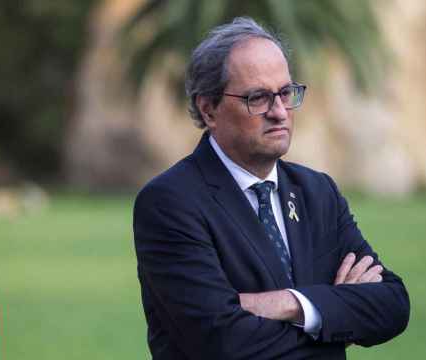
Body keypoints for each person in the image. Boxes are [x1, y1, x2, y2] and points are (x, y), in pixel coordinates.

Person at [132, 17, 410, 360]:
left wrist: (291, 303)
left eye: (286, 93)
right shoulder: (170, 202)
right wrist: (333, 317)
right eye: (258, 98)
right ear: (209, 109)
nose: (279, 112)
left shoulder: (317, 193)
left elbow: (392, 304)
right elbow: (221, 342)